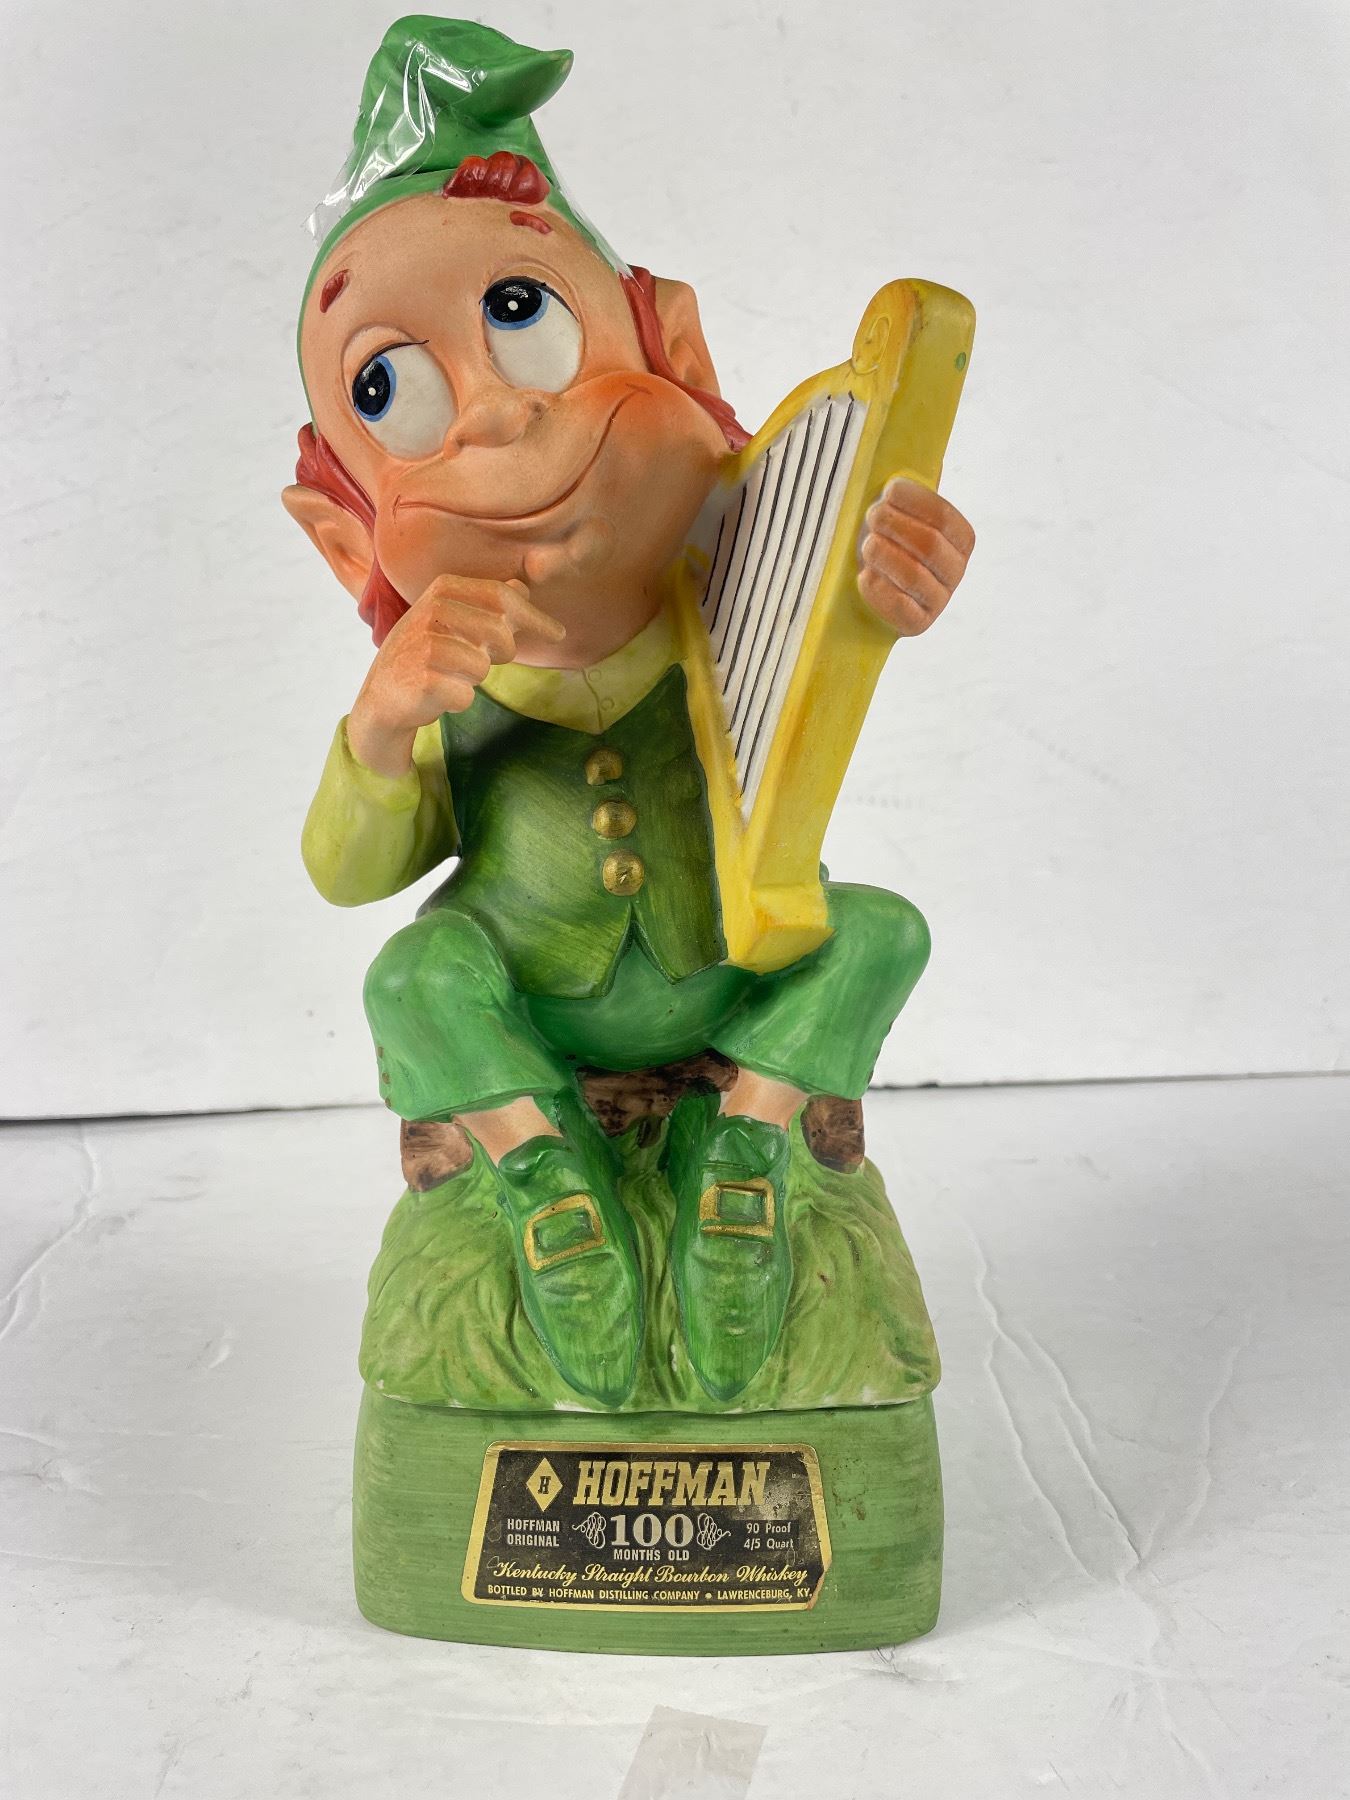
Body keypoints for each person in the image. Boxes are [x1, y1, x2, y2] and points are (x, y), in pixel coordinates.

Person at [285, 17, 976, 1407]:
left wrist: (887, 583)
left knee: (882, 931)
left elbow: (824, 639)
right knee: (413, 979)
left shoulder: (728, 614)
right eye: (390, 388)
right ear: (347, 532)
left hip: (721, 971)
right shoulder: (450, 680)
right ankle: (541, 1177)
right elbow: (349, 876)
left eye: (522, 316)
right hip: (531, 1001)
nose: (491, 418)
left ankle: (749, 1140)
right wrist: (380, 725)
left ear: (675, 350)